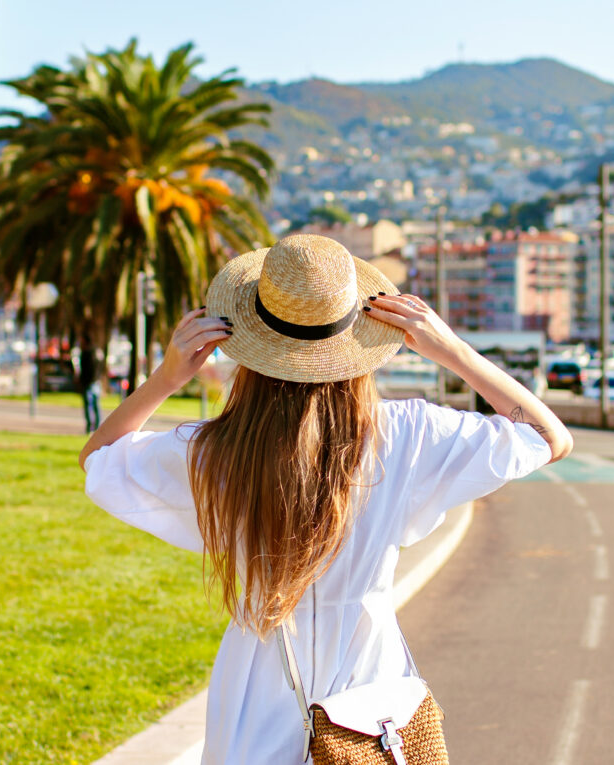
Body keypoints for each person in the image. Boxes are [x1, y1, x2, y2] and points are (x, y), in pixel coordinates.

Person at [79, 235, 572, 764]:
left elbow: (100, 457)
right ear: (359, 337)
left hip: (257, 685)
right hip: (369, 693)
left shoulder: (217, 451)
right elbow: (550, 437)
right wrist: (451, 349)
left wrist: (169, 375)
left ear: (251, 343)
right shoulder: (408, 435)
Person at [76, 334, 102, 434]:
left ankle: (90, 427)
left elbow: (86, 370)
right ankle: (97, 427)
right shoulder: (98, 352)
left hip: (89, 383)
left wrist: (84, 382)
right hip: (96, 382)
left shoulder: (87, 353)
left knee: (89, 406)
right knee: (96, 406)